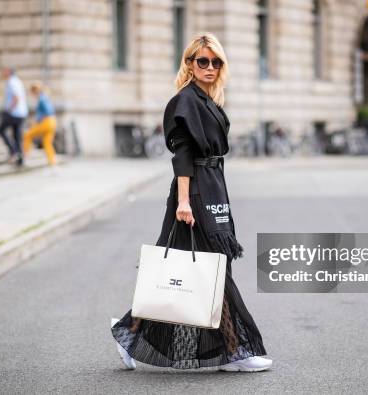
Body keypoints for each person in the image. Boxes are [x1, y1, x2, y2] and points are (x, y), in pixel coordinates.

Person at [110, 33, 272, 372]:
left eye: (216, 62)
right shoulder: (185, 101)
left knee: (210, 266)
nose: (210, 67)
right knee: (215, 266)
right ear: (189, 64)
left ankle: (128, 333)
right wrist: (184, 201)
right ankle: (235, 351)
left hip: (211, 188)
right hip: (194, 191)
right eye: (203, 61)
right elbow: (182, 155)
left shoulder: (207, 99)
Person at [0, 67, 28, 166]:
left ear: (9, 72)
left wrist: (9, 109)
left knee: (0, 129)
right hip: (22, 113)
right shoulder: (18, 81)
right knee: (17, 136)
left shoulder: (11, 82)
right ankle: (20, 158)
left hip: (14, 113)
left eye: (4, 71)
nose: (2, 73)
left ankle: (14, 151)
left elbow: (16, 97)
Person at [22, 81, 57, 166]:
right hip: (53, 121)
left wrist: (37, 120)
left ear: (35, 91)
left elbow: (47, 111)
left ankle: (25, 156)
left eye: (32, 92)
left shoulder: (42, 99)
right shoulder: (45, 97)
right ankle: (52, 163)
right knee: (47, 143)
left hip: (47, 122)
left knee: (27, 135)